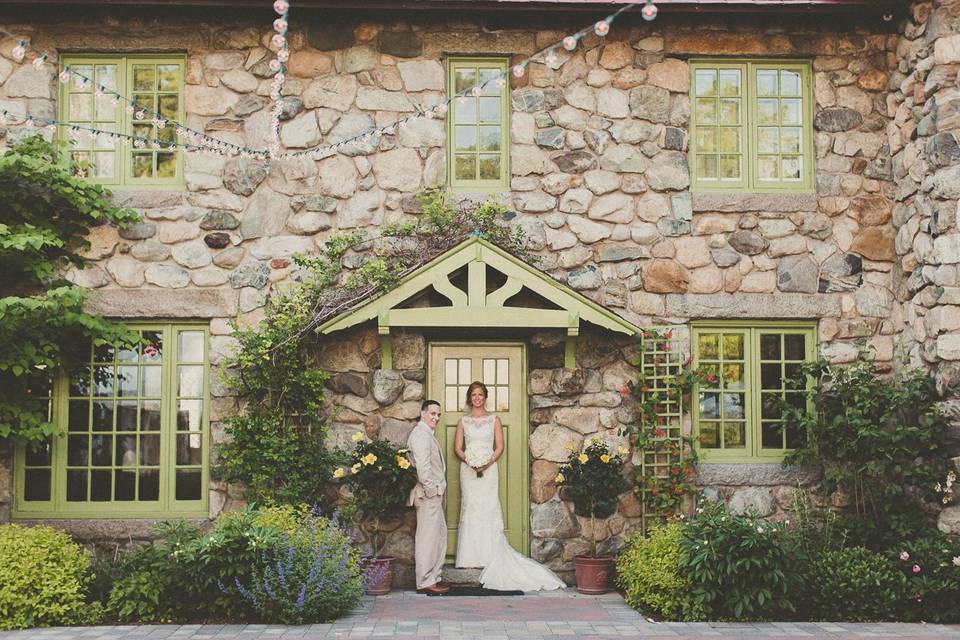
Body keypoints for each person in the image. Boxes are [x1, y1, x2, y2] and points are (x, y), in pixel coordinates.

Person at [454, 381, 565, 591]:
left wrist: (487, 462)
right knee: (470, 507)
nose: (477, 398)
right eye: (474, 395)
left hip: (489, 468)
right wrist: (469, 460)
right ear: (470, 398)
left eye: (480, 395)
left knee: (488, 506)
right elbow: (458, 447)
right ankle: (468, 556)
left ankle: (489, 554)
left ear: (485, 397)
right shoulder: (463, 421)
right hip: (468, 469)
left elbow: (500, 446)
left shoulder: (494, 419)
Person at [406, 399, 450, 595]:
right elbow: (423, 469)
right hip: (427, 495)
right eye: (433, 414)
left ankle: (433, 578)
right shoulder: (421, 435)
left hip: (432, 495)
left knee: (438, 536)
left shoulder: (427, 434)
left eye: (438, 415)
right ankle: (425, 581)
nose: (436, 418)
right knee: (427, 539)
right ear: (423, 414)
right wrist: (432, 491)